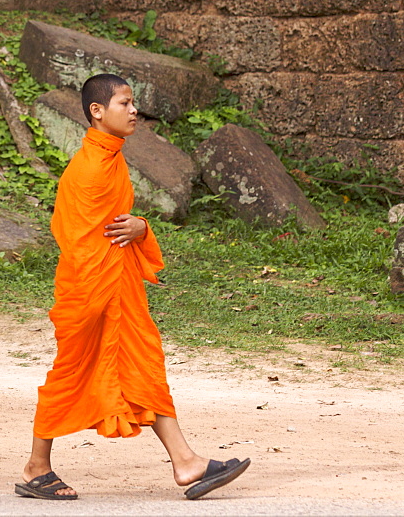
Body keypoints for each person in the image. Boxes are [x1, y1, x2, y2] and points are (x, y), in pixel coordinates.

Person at [15, 74, 250, 501]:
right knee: (69, 375)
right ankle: (36, 468)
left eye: (133, 102)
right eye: (125, 103)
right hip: (92, 294)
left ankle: (186, 462)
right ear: (97, 112)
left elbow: (115, 228)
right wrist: (100, 295)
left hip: (116, 288)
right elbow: (78, 242)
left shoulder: (110, 158)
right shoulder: (88, 169)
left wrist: (141, 229)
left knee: (144, 367)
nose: (134, 110)